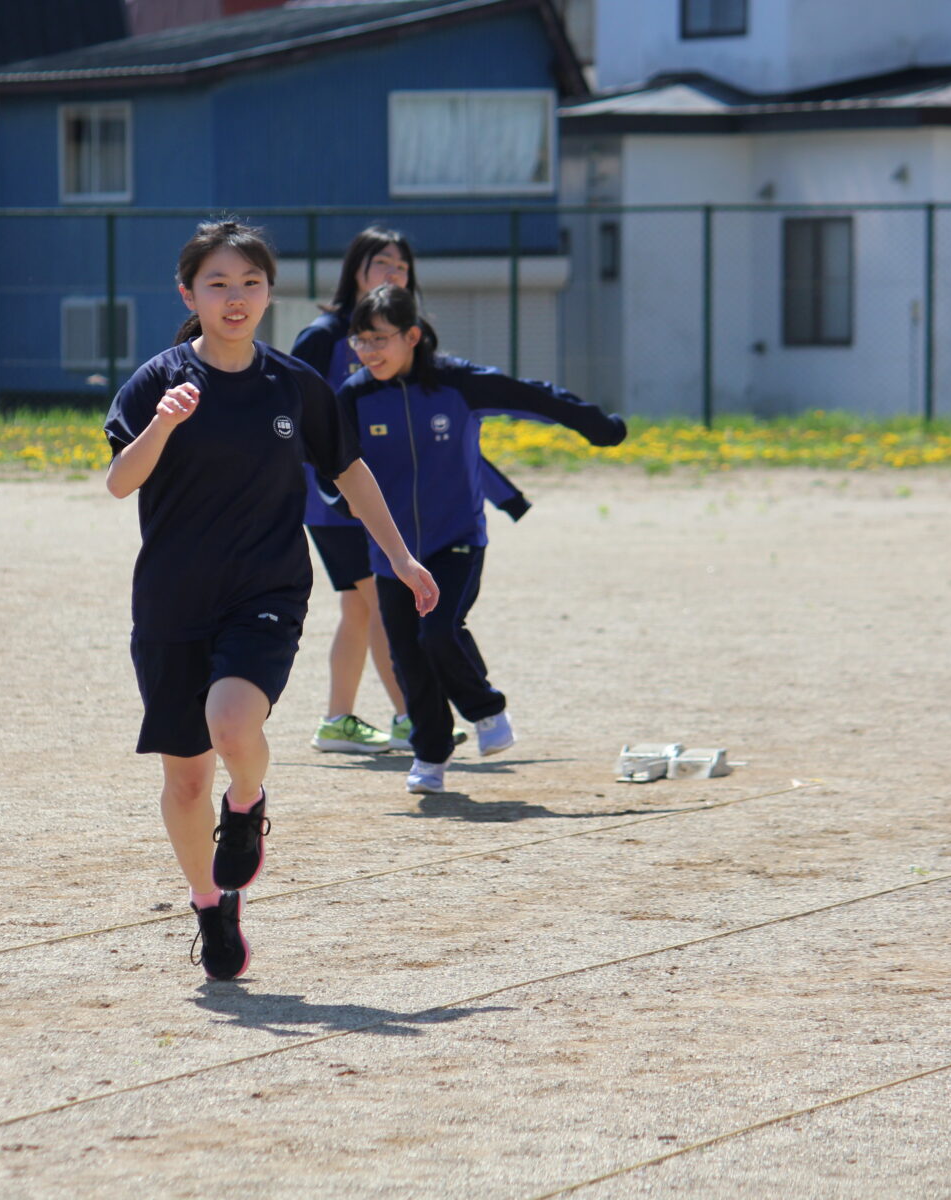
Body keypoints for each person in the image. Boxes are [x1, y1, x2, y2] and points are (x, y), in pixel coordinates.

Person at [104, 221, 438, 981]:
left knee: (231, 720)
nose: (235, 298)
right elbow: (121, 481)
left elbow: (350, 473)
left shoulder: (293, 384)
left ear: (269, 294)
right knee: (185, 779)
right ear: (188, 293)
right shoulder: (159, 380)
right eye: (218, 284)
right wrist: (163, 424)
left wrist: (400, 556)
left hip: (267, 588)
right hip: (171, 601)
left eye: (250, 284)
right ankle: (209, 905)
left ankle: (248, 801)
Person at [336, 283, 626, 796]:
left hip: (457, 539)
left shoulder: (457, 383)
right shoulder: (355, 396)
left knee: (439, 630)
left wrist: (595, 425)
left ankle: (486, 711)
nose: (369, 352)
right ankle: (431, 756)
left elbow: (532, 395)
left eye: (380, 339)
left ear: (412, 336)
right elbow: (324, 455)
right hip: (392, 552)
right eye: (360, 340)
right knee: (407, 654)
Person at [291, 227, 529, 754]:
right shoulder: (325, 335)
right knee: (385, 605)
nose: (395, 273)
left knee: (360, 609)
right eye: (383, 263)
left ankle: (338, 719)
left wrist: (501, 491)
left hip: (383, 499)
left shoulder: (405, 340)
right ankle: (410, 716)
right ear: (357, 269)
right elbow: (295, 412)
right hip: (337, 504)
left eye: (402, 267)